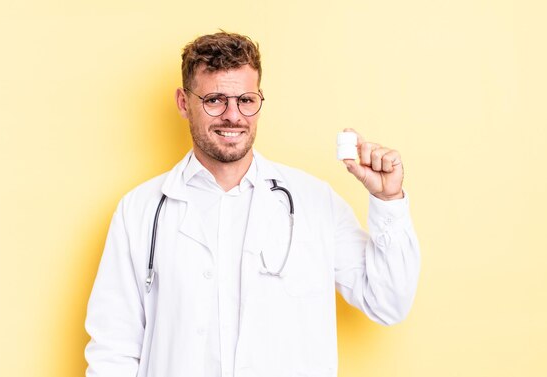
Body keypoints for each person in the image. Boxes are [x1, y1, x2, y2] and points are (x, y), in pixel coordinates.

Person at [84, 31, 420, 377]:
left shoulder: (314, 202)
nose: (233, 116)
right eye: (215, 100)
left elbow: (389, 303)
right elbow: (113, 349)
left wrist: (388, 200)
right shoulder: (139, 211)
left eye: (246, 99)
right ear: (184, 103)